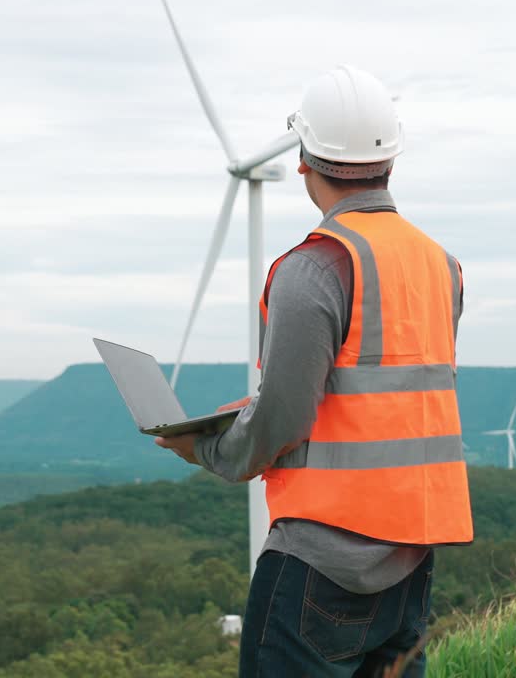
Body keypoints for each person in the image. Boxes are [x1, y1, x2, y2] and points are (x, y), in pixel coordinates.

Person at [156, 65, 473, 677]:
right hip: (408, 562)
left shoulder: (315, 268)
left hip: (322, 566)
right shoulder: (443, 266)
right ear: (392, 159)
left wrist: (209, 448)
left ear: (303, 160)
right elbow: (379, 394)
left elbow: (285, 417)